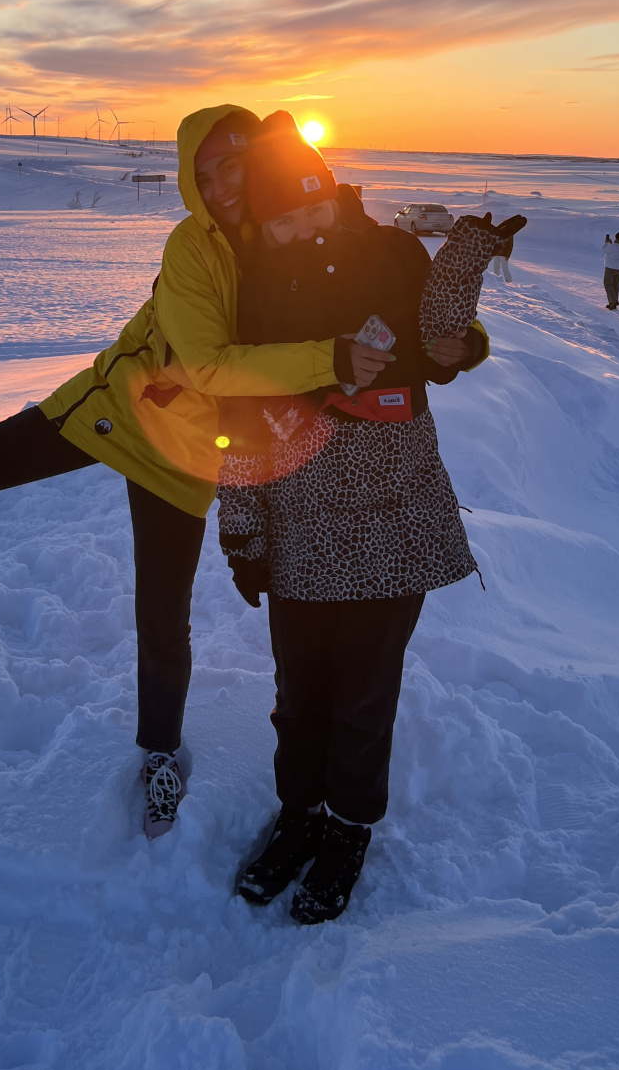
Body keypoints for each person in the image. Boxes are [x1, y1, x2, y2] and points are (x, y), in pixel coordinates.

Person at [0, 105, 485, 838]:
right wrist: (328, 359)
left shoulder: (287, 234)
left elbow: (379, 300)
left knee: (164, 611)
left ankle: (159, 751)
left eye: (232, 167)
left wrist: (456, 340)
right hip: (129, 413)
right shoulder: (193, 248)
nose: (219, 187)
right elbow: (210, 363)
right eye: (201, 176)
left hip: (197, 450)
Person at [214, 114, 522, 924]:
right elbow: (240, 409)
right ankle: (300, 815)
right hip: (299, 526)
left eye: (313, 208)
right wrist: (242, 526)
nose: (303, 228)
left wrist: (464, 261)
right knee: (299, 692)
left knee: (363, 693)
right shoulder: (256, 285)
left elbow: (435, 337)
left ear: (332, 192)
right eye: (283, 219)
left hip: (394, 520)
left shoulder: (390, 253)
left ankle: (349, 828)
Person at [602, 231, 619, 310]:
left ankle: (613, 301)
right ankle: (613, 303)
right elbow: (616, 250)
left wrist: (606, 243)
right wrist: (612, 244)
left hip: (610, 268)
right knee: (615, 286)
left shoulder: (612, 246)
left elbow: (604, 249)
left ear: (616, 238)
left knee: (608, 284)